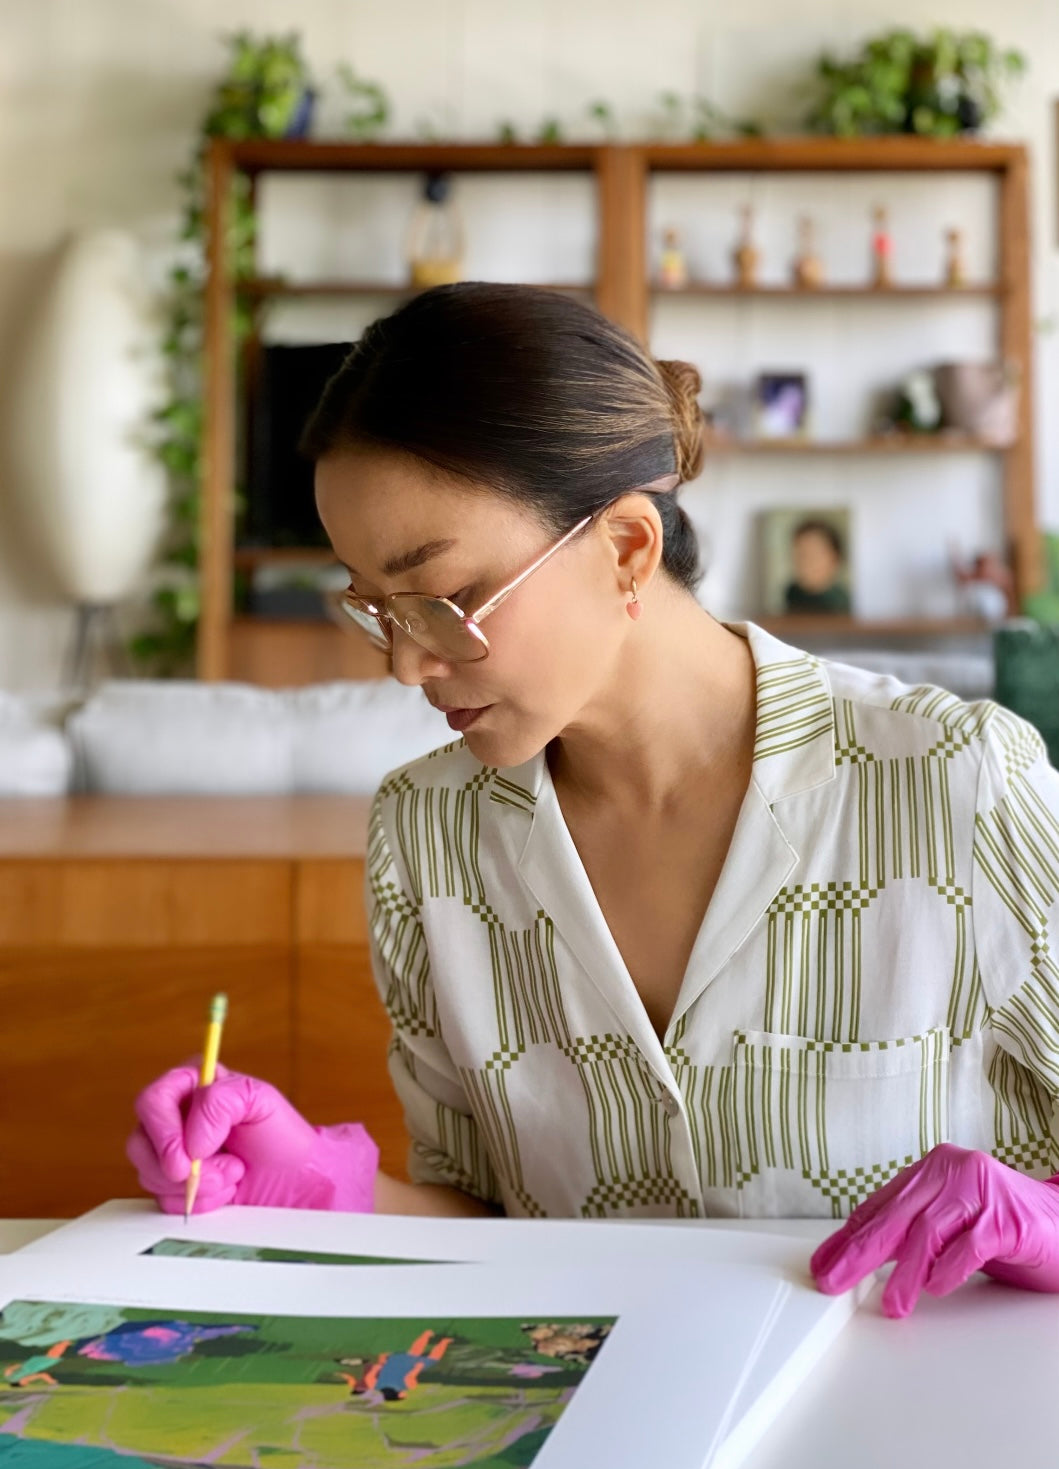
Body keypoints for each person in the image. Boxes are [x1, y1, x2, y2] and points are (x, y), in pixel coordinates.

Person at [130, 282, 1059, 1319]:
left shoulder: (954, 782)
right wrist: (321, 1189)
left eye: (438, 600)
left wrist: (1043, 1225)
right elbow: (495, 1226)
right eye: (372, 606)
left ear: (626, 547)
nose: (404, 666)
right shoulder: (430, 837)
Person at [783, 517, 851, 615]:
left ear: (834, 558)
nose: (805, 562)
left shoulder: (841, 605)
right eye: (800, 554)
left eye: (814, 554)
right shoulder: (791, 594)